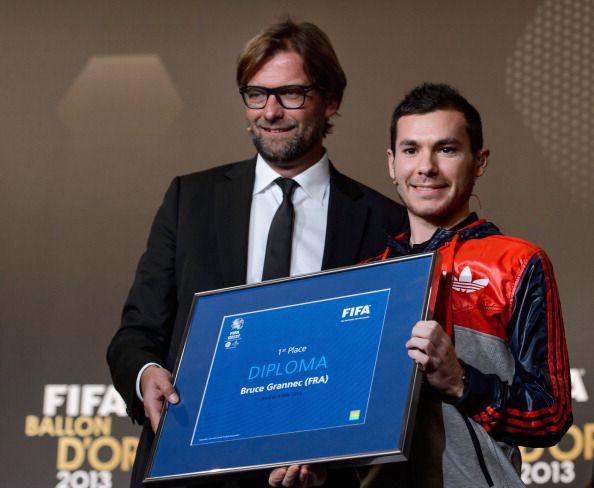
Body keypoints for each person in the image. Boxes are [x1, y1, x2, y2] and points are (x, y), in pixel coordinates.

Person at [107, 19, 407, 488]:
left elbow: (387, 369)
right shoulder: (191, 200)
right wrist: (147, 375)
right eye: (256, 94)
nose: (270, 111)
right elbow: (135, 335)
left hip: (317, 476)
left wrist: (335, 452)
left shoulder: (384, 220)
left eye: (291, 94)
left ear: (331, 101)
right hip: (190, 472)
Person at [357, 83, 572, 487]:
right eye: (411, 150)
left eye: (447, 149)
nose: (426, 167)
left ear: (480, 162)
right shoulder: (368, 276)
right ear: (391, 163)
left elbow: (552, 415)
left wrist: (462, 383)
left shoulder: (517, 263)